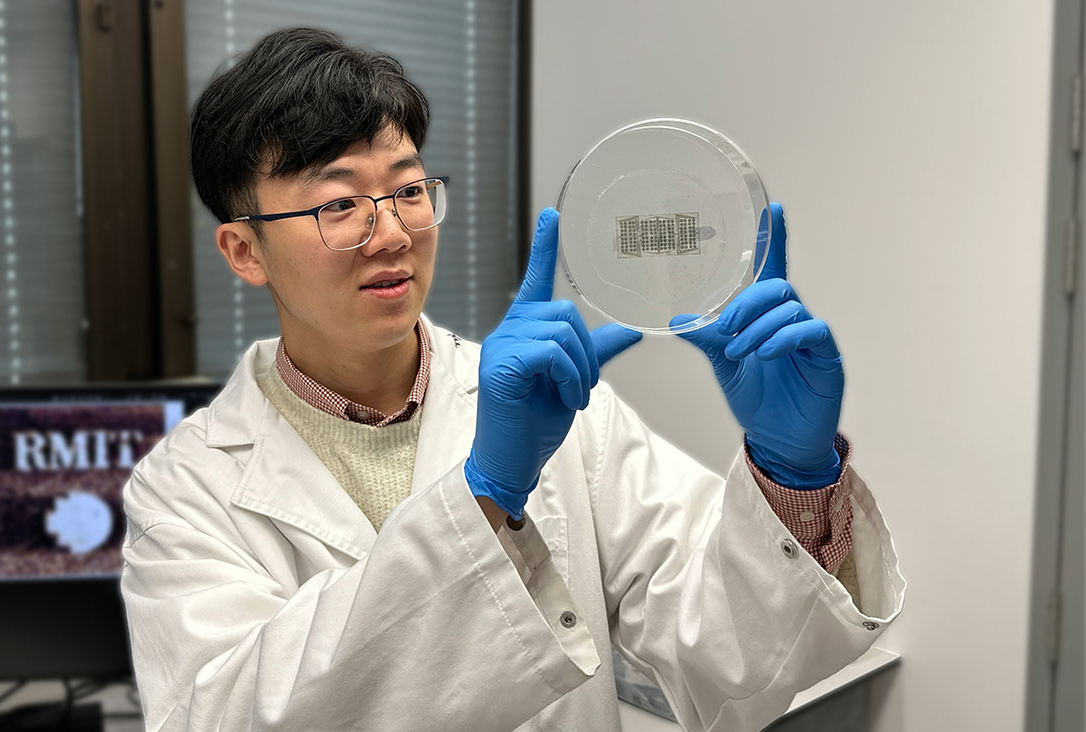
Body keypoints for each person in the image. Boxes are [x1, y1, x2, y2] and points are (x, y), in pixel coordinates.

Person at [120, 27, 905, 732]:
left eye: (408, 190)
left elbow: (727, 659)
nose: (391, 233)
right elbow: (222, 717)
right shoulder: (184, 490)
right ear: (244, 251)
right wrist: (484, 495)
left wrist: (791, 472)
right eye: (340, 204)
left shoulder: (563, 411)